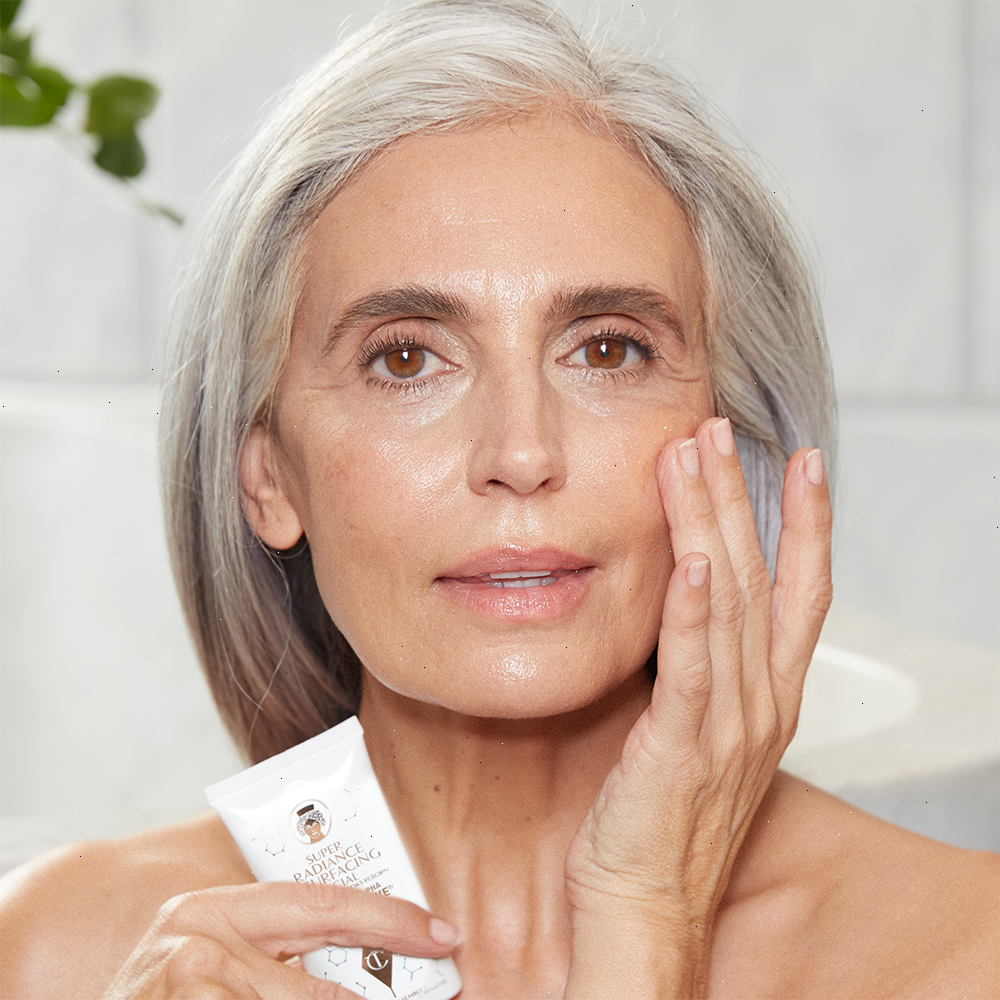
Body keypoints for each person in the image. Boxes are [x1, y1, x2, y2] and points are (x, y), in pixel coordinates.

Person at [2, 1, 999, 997]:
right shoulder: (63, 955)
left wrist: (645, 911)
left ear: (725, 435)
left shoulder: (963, 954)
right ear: (268, 477)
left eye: (607, 350)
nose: (521, 454)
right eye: (405, 359)